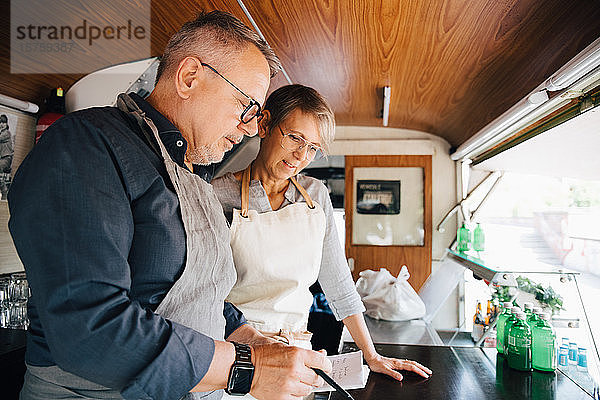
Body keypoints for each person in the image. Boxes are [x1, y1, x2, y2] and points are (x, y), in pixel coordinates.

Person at [8, 11, 330, 400]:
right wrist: (248, 368)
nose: (249, 128)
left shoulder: (194, 174)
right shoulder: (85, 145)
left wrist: (250, 338)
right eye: (246, 106)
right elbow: (90, 327)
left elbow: (201, 295)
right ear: (189, 76)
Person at [212, 84, 432, 387]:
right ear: (264, 124)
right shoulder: (217, 195)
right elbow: (207, 295)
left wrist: (372, 355)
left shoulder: (315, 195)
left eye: (313, 147)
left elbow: (338, 281)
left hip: (296, 351)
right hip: (238, 354)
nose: (301, 156)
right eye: (294, 138)